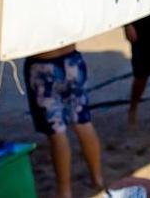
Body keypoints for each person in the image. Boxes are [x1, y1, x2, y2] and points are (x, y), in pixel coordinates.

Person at [24, 45, 104, 198]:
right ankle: (97, 178)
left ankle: (64, 190)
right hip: (71, 59)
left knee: (56, 132)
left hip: (42, 63)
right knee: (83, 122)